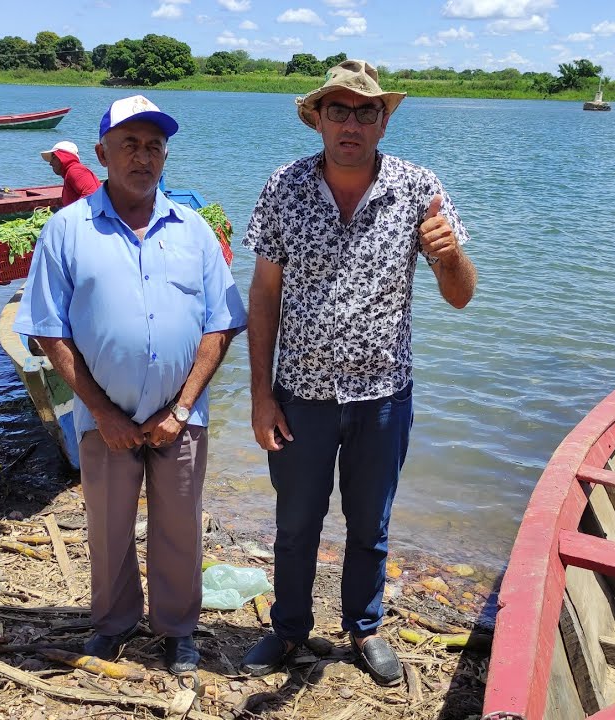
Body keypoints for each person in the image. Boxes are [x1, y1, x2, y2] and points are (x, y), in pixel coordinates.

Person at [239, 60, 478, 687]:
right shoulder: (284, 187)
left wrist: (451, 257)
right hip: (301, 394)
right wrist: (261, 397)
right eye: (338, 110)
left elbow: (459, 295)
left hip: (383, 395)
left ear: (384, 120)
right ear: (317, 119)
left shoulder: (418, 188)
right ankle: (289, 629)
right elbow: (263, 297)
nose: (350, 123)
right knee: (295, 523)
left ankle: (363, 628)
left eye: (364, 111)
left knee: (370, 524)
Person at [14, 95, 246, 676]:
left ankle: (177, 631)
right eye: (130, 145)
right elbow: (47, 329)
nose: (143, 157)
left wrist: (184, 404)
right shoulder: (67, 229)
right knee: (108, 527)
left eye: (154, 146)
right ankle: (114, 624)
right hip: (102, 418)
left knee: (181, 527)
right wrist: (102, 410)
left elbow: (222, 321)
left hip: (181, 416)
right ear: (102, 153)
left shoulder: (193, 230)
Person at [39, 140, 100, 207]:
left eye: (54, 158)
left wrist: (70, 215)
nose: (50, 163)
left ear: (63, 157)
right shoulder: (71, 172)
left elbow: (91, 195)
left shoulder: (76, 170)